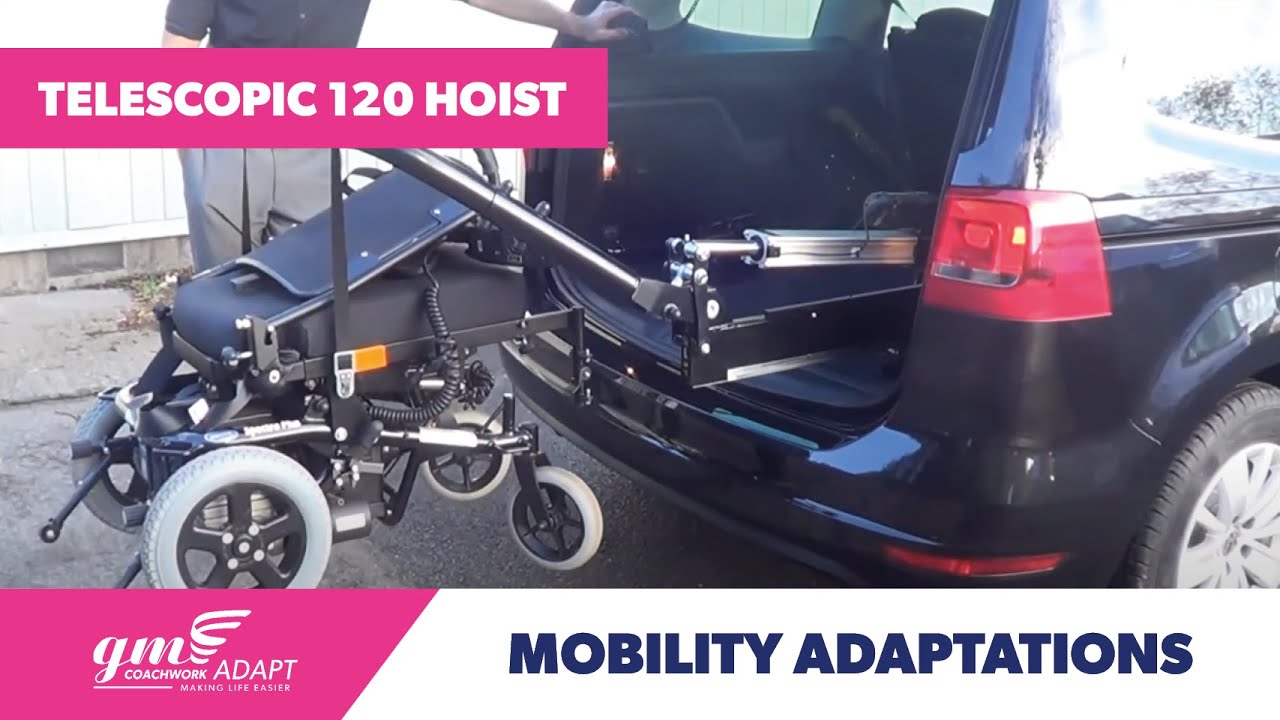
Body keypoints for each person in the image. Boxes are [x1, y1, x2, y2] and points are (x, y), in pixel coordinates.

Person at [162, 0, 639, 272]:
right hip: (227, 144)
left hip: (312, 147)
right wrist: (197, 162)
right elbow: (178, 49)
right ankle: (216, 418)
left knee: (310, 298)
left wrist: (573, 23)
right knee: (221, 298)